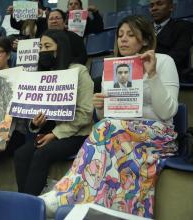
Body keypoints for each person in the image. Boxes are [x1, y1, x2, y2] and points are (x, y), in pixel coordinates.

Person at [40, 15, 179, 219]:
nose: (123, 39)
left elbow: (168, 112)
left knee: (109, 129)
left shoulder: (164, 61)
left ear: (146, 40)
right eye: (120, 35)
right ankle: (88, 201)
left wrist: (153, 75)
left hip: (158, 133)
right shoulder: (113, 68)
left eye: (130, 35)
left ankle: (66, 194)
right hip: (120, 130)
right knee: (104, 126)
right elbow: (107, 116)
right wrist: (101, 107)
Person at [14, 29, 93, 196]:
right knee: (21, 154)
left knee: (42, 154)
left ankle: (29, 204)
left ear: (60, 47)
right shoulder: (44, 75)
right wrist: (35, 124)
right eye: (41, 46)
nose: (43, 50)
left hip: (77, 134)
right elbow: (35, 111)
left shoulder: (79, 71)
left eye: (48, 45)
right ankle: (23, 200)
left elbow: (85, 113)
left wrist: (55, 134)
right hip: (50, 132)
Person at [149, 0, 193, 76]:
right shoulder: (143, 29)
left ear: (171, 7)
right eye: (151, 5)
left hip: (170, 74)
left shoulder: (183, 27)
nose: (154, 8)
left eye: (159, 4)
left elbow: (178, 55)